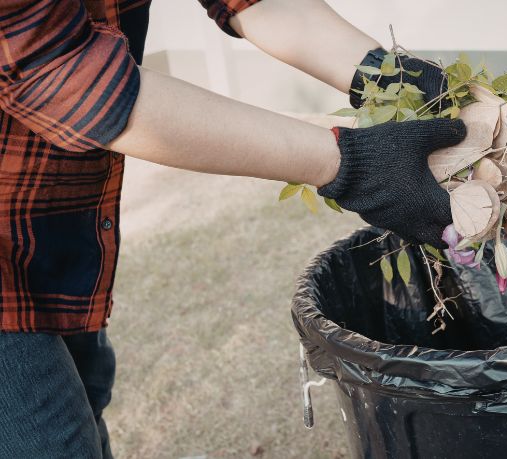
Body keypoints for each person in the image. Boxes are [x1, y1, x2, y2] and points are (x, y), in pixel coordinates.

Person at [0, 0, 465, 456]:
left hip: (50, 233)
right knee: (54, 440)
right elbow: (63, 75)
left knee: (85, 400)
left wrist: (387, 76)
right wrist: (349, 163)